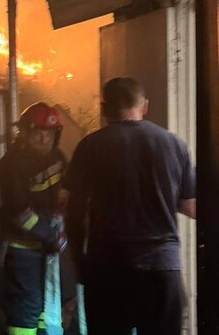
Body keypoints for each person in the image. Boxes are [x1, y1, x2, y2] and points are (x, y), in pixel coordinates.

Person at [63, 77, 196, 335]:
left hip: (108, 269)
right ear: (144, 106)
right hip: (161, 268)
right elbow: (190, 206)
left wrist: (81, 264)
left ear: (104, 109)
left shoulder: (90, 146)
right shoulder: (175, 144)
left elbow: (74, 213)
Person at [0, 102, 68, 335]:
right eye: (39, 133)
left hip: (48, 250)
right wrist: (50, 235)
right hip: (23, 250)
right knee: (26, 311)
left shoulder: (58, 158)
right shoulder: (12, 164)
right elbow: (20, 213)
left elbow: (67, 191)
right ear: (25, 133)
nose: (45, 139)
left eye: (50, 134)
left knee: (46, 310)